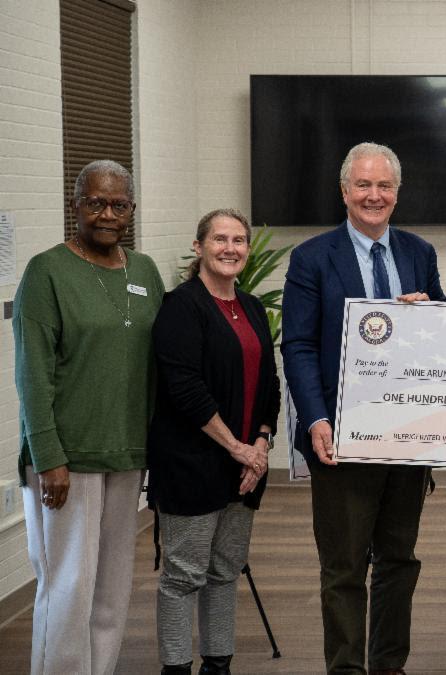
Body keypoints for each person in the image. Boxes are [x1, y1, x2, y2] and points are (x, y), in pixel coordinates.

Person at [281, 141, 446, 674]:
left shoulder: (419, 253)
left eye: (384, 186)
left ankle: (389, 664)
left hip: (405, 433)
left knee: (399, 560)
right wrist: (316, 419)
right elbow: (299, 345)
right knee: (345, 565)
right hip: (342, 436)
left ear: (397, 194)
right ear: (345, 191)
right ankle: (347, 669)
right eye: (364, 185)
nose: (374, 195)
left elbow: (442, 334)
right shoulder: (312, 257)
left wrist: (431, 313)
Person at [14, 159, 165, 675]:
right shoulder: (47, 271)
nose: (107, 213)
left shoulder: (144, 272)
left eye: (118, 204)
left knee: (111, 588)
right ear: (75, 205)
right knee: (67, 587)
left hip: (127, 452)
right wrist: (47, 456)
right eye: (95, 202)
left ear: (131, 211)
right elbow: (32, 374)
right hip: (67, 459)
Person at [148, 209, 280, 675]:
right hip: (192, 465)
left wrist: (260, 445)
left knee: (225, 570)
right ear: (199, 246)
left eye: (239, 240)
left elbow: (270, 384)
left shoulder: (252, 307)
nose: (231, 248)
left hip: (245, 469)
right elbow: (184, 389)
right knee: (184, 575)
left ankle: (218, 664)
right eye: (220, 239)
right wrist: (236, 447)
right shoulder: (181, 306)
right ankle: (176, 666)